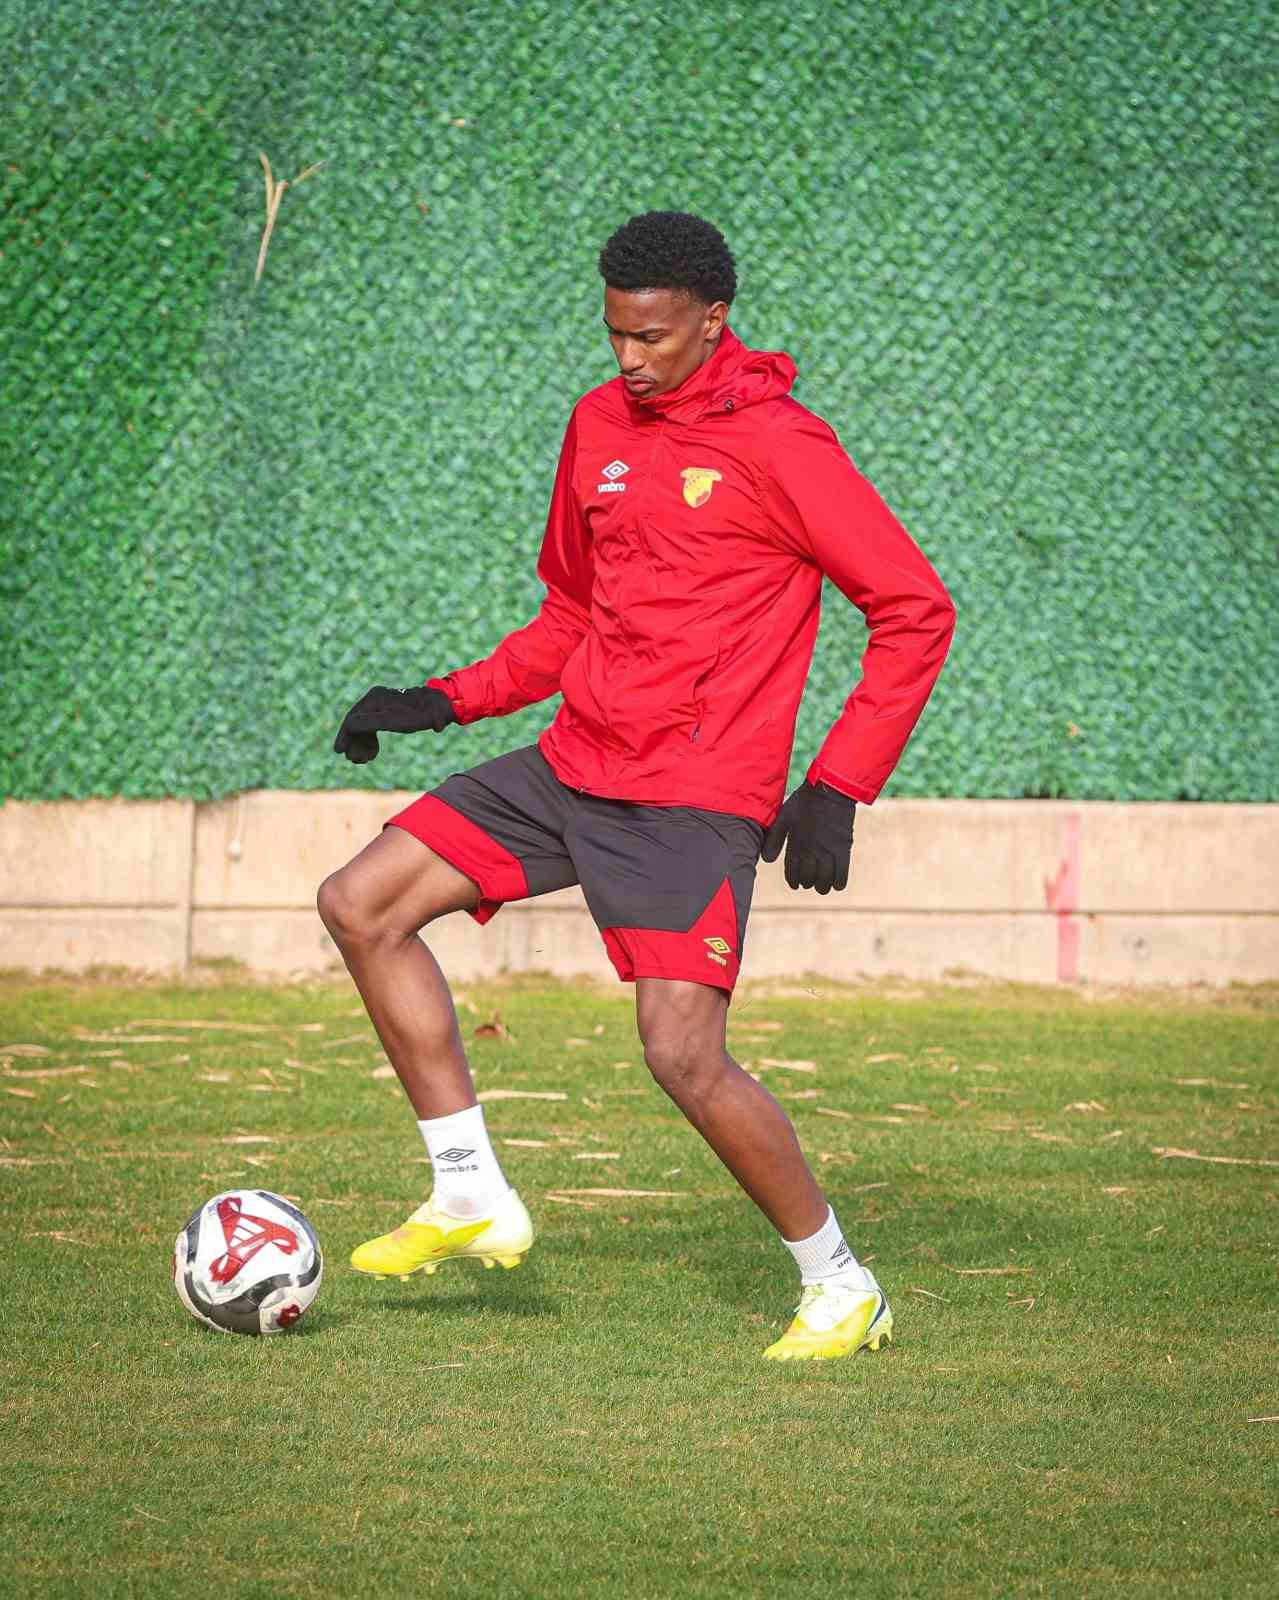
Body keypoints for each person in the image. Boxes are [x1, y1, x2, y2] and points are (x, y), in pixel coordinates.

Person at [318, 211, 955, 1362]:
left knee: (681, 1057)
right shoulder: (598, 424)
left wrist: (838, 784)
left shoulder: (782, 446)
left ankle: (839, 1282)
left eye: (652, 336)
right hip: (574, 763)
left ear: (713, 320)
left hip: (690, 795)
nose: (629, 357)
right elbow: (571, 614)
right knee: (360, 902)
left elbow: (914, 609)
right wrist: (443, 699)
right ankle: (467, 1189)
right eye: (615, 332)